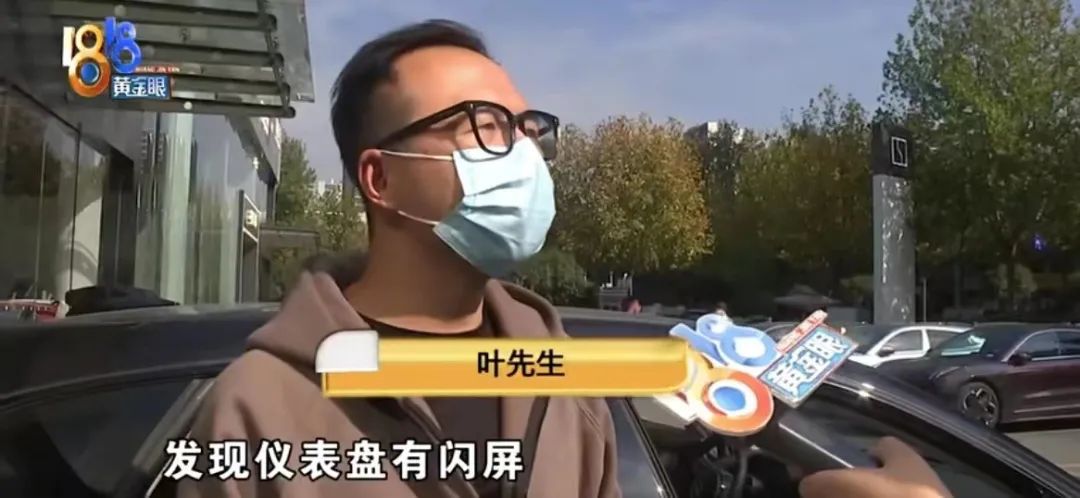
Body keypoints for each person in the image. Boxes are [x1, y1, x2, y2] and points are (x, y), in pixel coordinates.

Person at [179, 18, 952, 498]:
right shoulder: (258, 409)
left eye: (527, 128)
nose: (522, 152)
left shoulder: (567, 391)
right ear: (380, 179)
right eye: (482, 126)